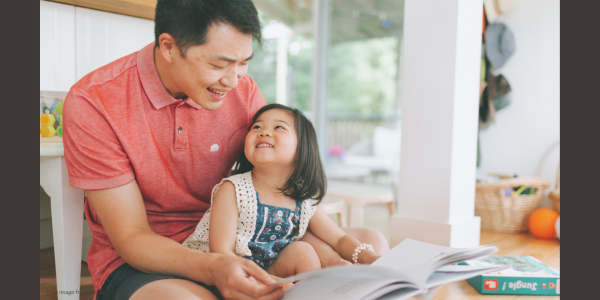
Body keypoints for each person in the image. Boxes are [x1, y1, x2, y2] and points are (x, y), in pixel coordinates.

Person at [63, 0, 389, 299]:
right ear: (169, 47)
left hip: (244, 239)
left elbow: (276, 183)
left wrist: (331, 257)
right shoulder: (94, 103)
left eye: (244, 62)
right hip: (151, 263)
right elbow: (133, 238)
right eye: (220, 64)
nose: (234, 81)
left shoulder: (242, 91)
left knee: (370, 243)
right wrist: (218, 267)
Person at [184, 104, 381, 281]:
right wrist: (266, 282)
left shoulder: (304, 199)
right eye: (256, 127)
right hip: (228, 269)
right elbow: (222, 253)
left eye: (278, 127)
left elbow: (338, 239)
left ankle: (309, 293)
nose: (263, 133)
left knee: (302, 251)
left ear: (302, 148)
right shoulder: (233, 190)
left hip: (269, 267)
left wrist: (369, 257)